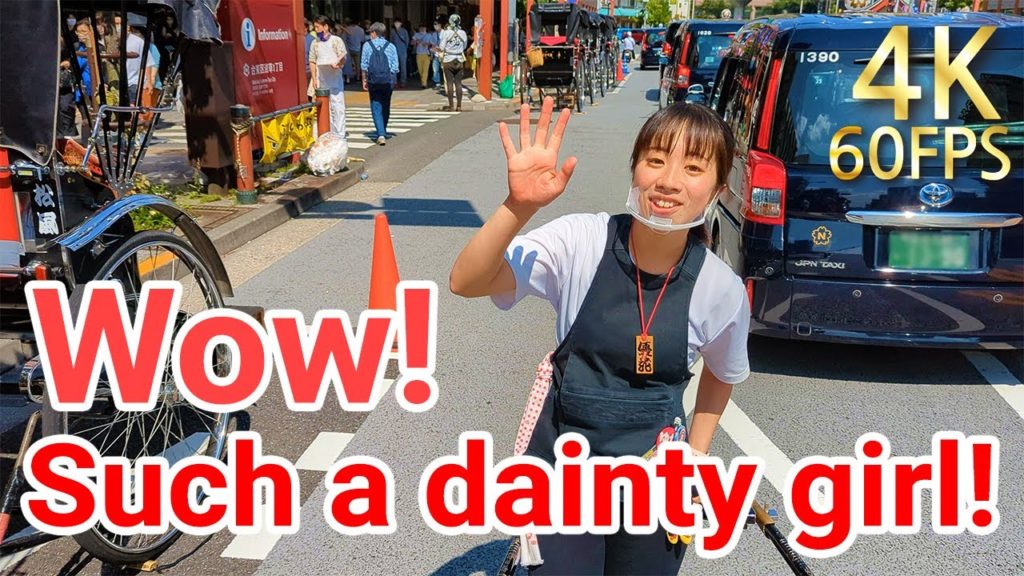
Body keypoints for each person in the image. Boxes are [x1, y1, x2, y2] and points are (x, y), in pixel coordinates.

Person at [449, 99, 750, 574]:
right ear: (634, 169)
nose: (669, 181)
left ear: (717, 188)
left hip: (656, 478)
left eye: (693, 167)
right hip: (563, 470)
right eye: (655, 160)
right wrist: (517, 207)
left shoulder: (720, 289)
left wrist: (696, 455)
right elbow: (467, 281)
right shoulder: (580, 242)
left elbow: (723, 372)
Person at [309, 15, 348, 138]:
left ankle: (340, 134)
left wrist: (339, 63)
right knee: (325, 108)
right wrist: (314, 79)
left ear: (326, 27)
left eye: (317, 27)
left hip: (335, 79)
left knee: (338, 107)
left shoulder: (336, 40)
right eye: (315, 27)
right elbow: (312, 61)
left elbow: (343, 57)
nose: (316, 30)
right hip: (322, 80)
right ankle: (328, 133)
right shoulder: (314, 43)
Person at [361, 22, 399, 146]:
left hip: (373, 80)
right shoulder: (391, 46)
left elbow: (364, 65)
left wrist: (364, 80)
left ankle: (380, 133)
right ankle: (383, 129)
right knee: (386, 105)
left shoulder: (367, 46)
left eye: (370, 32)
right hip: (388, 81)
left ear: (374, 33)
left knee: (376, 105)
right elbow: (395, 67)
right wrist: (393, 80)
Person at [437, 14, 468, 111]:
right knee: (458, 83)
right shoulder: (463, 33)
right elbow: (464, 46)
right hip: (459, 59)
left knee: (450, 82)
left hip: (448, 59)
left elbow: (441, 48)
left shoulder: (446, 33)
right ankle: (459, 106)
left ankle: (451, 105)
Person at [343, 18, 365, 84]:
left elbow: (344, 39)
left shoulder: (347, 29)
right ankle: (358, 78)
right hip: (357, 49)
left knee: (348, 63)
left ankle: (348, 78)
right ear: (358, 23)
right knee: (357, 64)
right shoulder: (361, 30)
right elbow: (362, 40)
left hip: (349, 49)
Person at [412, 23, 434, 89]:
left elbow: (432, 44)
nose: (422, 29)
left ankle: (424, 84)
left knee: (425, 70)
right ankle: (423, 81)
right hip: (418, 54)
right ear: (419, 28)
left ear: (426, 28)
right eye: (421, 28)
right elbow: (411, 43)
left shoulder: (429, 35)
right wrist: (416, 41)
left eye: (423, 28)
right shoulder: (416, 35)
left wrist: (427, 44)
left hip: (426, 54)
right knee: (420, 70)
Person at [390, 19, 410, 87]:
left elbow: (407, 41)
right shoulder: (392, 31)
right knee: (394, 67)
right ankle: (394, 81)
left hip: (403, 51)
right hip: (394, 51)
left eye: (398, 23)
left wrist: (405, 48)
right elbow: (391, 41)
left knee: (403, 67)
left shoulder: (404, 31)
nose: (397, 24)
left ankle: (403, 81)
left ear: (401, 23)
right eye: (395, 23)